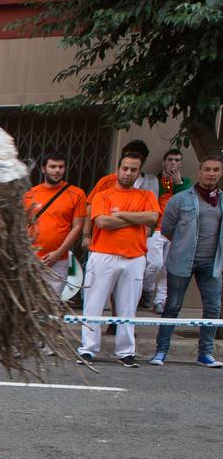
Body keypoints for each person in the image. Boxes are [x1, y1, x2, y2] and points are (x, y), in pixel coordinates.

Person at [79, 151, 161, 367]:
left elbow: (152, 218)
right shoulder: (103, 195)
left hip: (134, 257)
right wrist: (135, 219)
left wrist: (120, 215)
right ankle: (88, 348)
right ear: (118, 169)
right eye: (124, 168)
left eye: (133, 170)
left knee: (128, 306)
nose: (127, 173)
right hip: (103, 254)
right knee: (93, 303)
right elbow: (103, 222)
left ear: (138, 173)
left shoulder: (146, 196)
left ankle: (125, 351)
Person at [150, 154, 223, 367]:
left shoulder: (218, 198)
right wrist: (184, 245)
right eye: (207, 169)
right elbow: (167, 229)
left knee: (213, 308)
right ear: (200, 171)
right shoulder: (178, 193)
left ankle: (205, 353)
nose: (211, 174)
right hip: (182, 260)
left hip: (211, 263)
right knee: (172, 306)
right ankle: (161, 351)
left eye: (216, 170)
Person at [23, 152, 87, 295]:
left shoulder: (77, 194)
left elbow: (77, 227)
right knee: (29, 305)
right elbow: (21, 226)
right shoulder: (30, 194)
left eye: (61, 167)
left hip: (58, 260)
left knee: (51, 305)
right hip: (31, 259)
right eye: (52, 166)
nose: (57, 170)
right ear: (44, 169)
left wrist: (58, 254)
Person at [145, 148, 191, 312]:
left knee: (167, 269)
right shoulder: (157, 181)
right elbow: (159, 193)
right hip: (157, 230)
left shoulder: (185, 183)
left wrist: (177, 183)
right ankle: (148, 289)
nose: (174, 163)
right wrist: (167, 179)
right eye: (171, 159)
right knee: (154, 264)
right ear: (164, 162)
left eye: (177, 160)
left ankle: (160, 300)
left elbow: (185, 202)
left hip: (176, 233)